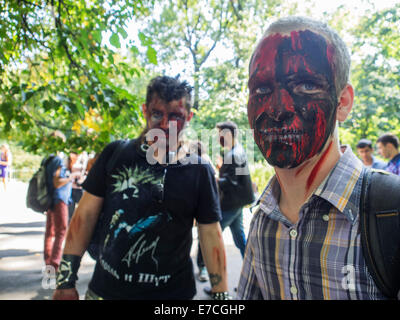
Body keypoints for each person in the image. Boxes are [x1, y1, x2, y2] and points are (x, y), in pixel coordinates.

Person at [238, 16, 390, 300]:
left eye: (307, 86)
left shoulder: (390, 217)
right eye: (261, 89)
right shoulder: (262, 221)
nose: (277, 109)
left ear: (343, 103)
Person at [52, 76, 229, 300]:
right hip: (105, 292)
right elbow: (84, 216)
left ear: (189, 117)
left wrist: (222, 297)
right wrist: (65, 281)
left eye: (176, 117)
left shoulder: (199, 170)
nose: (165, 125)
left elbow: (210, 233)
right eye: (157, 114)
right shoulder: (115, 154)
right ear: (145, 111)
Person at [202, 121, 255, 293]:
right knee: (240, 239)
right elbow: (237, 178)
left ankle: (207, 272)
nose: (219, 138)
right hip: (237, 202)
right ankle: (254, 275)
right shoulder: (236, 152)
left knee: (212, 236)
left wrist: (215, 177)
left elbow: (232, 183)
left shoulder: (234, 154)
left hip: (232, 203)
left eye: (221, 135)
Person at [44, 150, 77, 271]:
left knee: (50, 232)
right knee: (61, 231)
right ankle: (54, 263)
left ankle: (49, 261)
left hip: (51, 199)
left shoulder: (48, 159)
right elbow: (57, 182)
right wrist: (70, 178)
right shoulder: (58, 160)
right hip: (60, 199)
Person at [67, 152, 88, 222]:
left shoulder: (84, 157)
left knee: (82, 208)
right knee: (70, 209)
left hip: (80, 187)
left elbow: (85, 170)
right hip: (71, 187)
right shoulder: (70, 158)